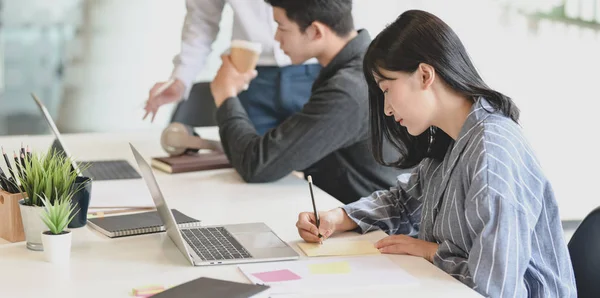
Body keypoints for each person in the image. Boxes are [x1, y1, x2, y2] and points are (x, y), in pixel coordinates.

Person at [295, 10, 576, 297]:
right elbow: (405, 201)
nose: (387, 109)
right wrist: (340, 217)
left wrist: (431, 252)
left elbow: (494, 287)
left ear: (425, 74)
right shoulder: (453, 136)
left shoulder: (492, 153)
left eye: (387, 89)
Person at [208, 0, 409, 204]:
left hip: (373, 227)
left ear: (315, 31)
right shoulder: (358, 67)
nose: (276, 38)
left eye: (281, 27)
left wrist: (225, 94)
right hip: (344, 213)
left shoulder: (347, 89)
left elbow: (256, 166)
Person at [142, 0, 321, 135]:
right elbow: (201, 20)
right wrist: (182, 77)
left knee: (322, 169)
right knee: (250, 168)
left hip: (316, 71)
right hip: (250, 77)